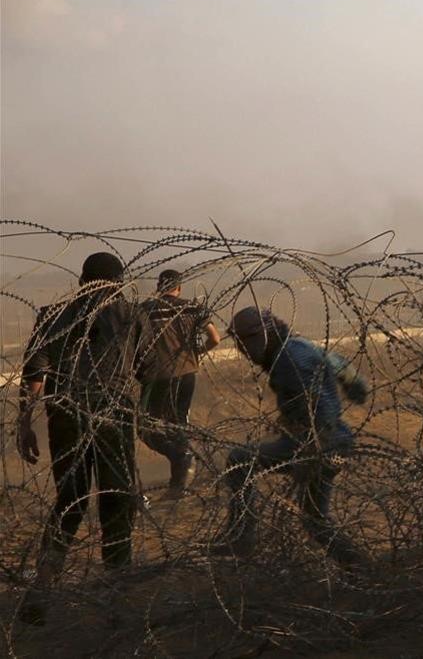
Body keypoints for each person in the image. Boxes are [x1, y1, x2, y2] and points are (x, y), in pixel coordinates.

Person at [16, 252, 151, 625]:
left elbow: (35, 377)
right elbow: (144, 369)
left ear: (82, 280)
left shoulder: (52, 315)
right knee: (116, 501)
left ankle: (41, 590)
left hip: (66, 415)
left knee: (70, 500)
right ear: (119, 282)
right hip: (114, 414)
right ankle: (117, 597)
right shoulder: (132, 315)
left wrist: (24, 424)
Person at [212, 307, 367, 567]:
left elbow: (321, 408)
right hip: (331, 440)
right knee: (315, 519)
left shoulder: (288, 359)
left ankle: (242, 537)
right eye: (239, 345)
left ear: (263, 335)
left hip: (320, 443)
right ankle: (357, 566)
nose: (243, 351)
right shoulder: (297, 346)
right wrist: (357, 391)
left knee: (239, 461)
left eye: (245, 343)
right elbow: (340, 365)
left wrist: (313, 451)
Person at [138, 269, 221, 495]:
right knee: (178, 424)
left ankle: (178, 460)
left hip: (157, 376)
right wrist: (197, 353)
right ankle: (179, 482)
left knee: (144, 427)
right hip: (186, 373)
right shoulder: (192, 307)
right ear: (179, 287)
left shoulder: (145, 310)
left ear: (158, 286)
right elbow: (215, 338)